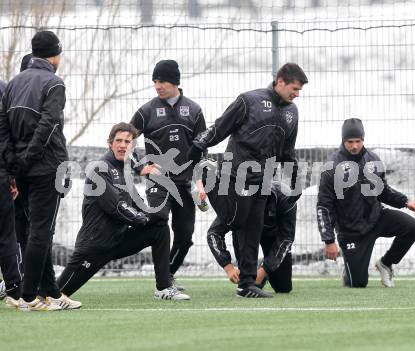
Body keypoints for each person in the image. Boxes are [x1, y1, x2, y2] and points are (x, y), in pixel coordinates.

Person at [188, 63, 308, 297]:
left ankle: (247, 284)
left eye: (300, 90)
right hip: (236, 173)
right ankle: (207, 177)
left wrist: (295, 180)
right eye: (294, 88)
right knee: (237, 220)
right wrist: (200, 144)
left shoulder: (292, 112)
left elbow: (287, 151)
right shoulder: (249, 101)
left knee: (252, 229)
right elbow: (220, 127)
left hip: (264, 178)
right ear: (280, 81)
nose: (297, 94)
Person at [57, 123, 190, 301]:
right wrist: (142, 219)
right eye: (118, 140)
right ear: (110, 143)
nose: (122, 145)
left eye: (127, 142)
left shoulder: (125, 171)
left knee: (160, 229)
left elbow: (137, 203)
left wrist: (155, 214)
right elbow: (116, 207)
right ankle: (21, 288)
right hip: (95, 245)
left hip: (117, 240)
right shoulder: (100, 169)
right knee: (56, 295)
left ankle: (163, 288)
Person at [0, 31, 80, 310]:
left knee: (33, 230)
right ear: (55, 54)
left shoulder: (12, 83)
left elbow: (3, 127)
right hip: (47, 167)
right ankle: (28, 296)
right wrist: (29, 158)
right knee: (42, 232)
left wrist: (14, 161)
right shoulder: (54, 83)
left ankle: (52, 293)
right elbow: (48, 126)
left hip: (19, 168)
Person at [316, 118, 415, 288]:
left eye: (358, 141)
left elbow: (382, 191)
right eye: (350, 141)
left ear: (363, 140)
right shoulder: (331, 167)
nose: (354, 146)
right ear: (343, 140)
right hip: (351, 231)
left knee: (412, 227)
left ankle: (386, 263)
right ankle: (350, 270)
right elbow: (323, 207)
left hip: (376, 218)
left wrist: (405, 201)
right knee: (358, 283)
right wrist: (329, 240)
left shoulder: (373, 159)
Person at [130, 60, 207, 290]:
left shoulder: (194, 110)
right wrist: (139, 168)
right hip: (158, 182)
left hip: (184, 184)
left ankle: (168, 275)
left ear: (174, 81)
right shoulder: (146, 111)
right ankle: (162, 282)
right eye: (154, 81)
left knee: (185, 236)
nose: (157, 86)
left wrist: (200, 182)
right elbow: (125, 142)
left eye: (161, 81)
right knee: (159, 222)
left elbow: (202, 149)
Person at [208, 181, 299, 294]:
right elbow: (214, 233)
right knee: (249, 284)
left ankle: (262, 273)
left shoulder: (286, 198)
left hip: (272, 236)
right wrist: (228, 267)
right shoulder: (239, 202)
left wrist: (264, 270)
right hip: (246, 236)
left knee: (283, 288)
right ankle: (249, 276)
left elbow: (286, 239)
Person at [0, 78, 23, 308]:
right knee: (6, 235)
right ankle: (14, 291)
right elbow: (9, 134)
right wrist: (11, 174)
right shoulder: (5, 89)